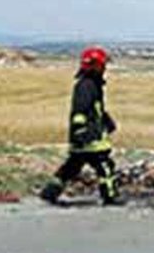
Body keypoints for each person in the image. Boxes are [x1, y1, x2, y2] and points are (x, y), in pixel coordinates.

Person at [40, 46, 123, 206]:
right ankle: (110, 196)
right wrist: (81, 132)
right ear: (95, 66)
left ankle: (49, 193)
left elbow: (96, 109)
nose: (104, 68)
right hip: (90, 138)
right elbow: (81, 110)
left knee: (71, 167)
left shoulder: (91, 85)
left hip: (84, 138)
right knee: (105, 166)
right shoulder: (87, 86)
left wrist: (107, 121)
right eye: (102, 65)